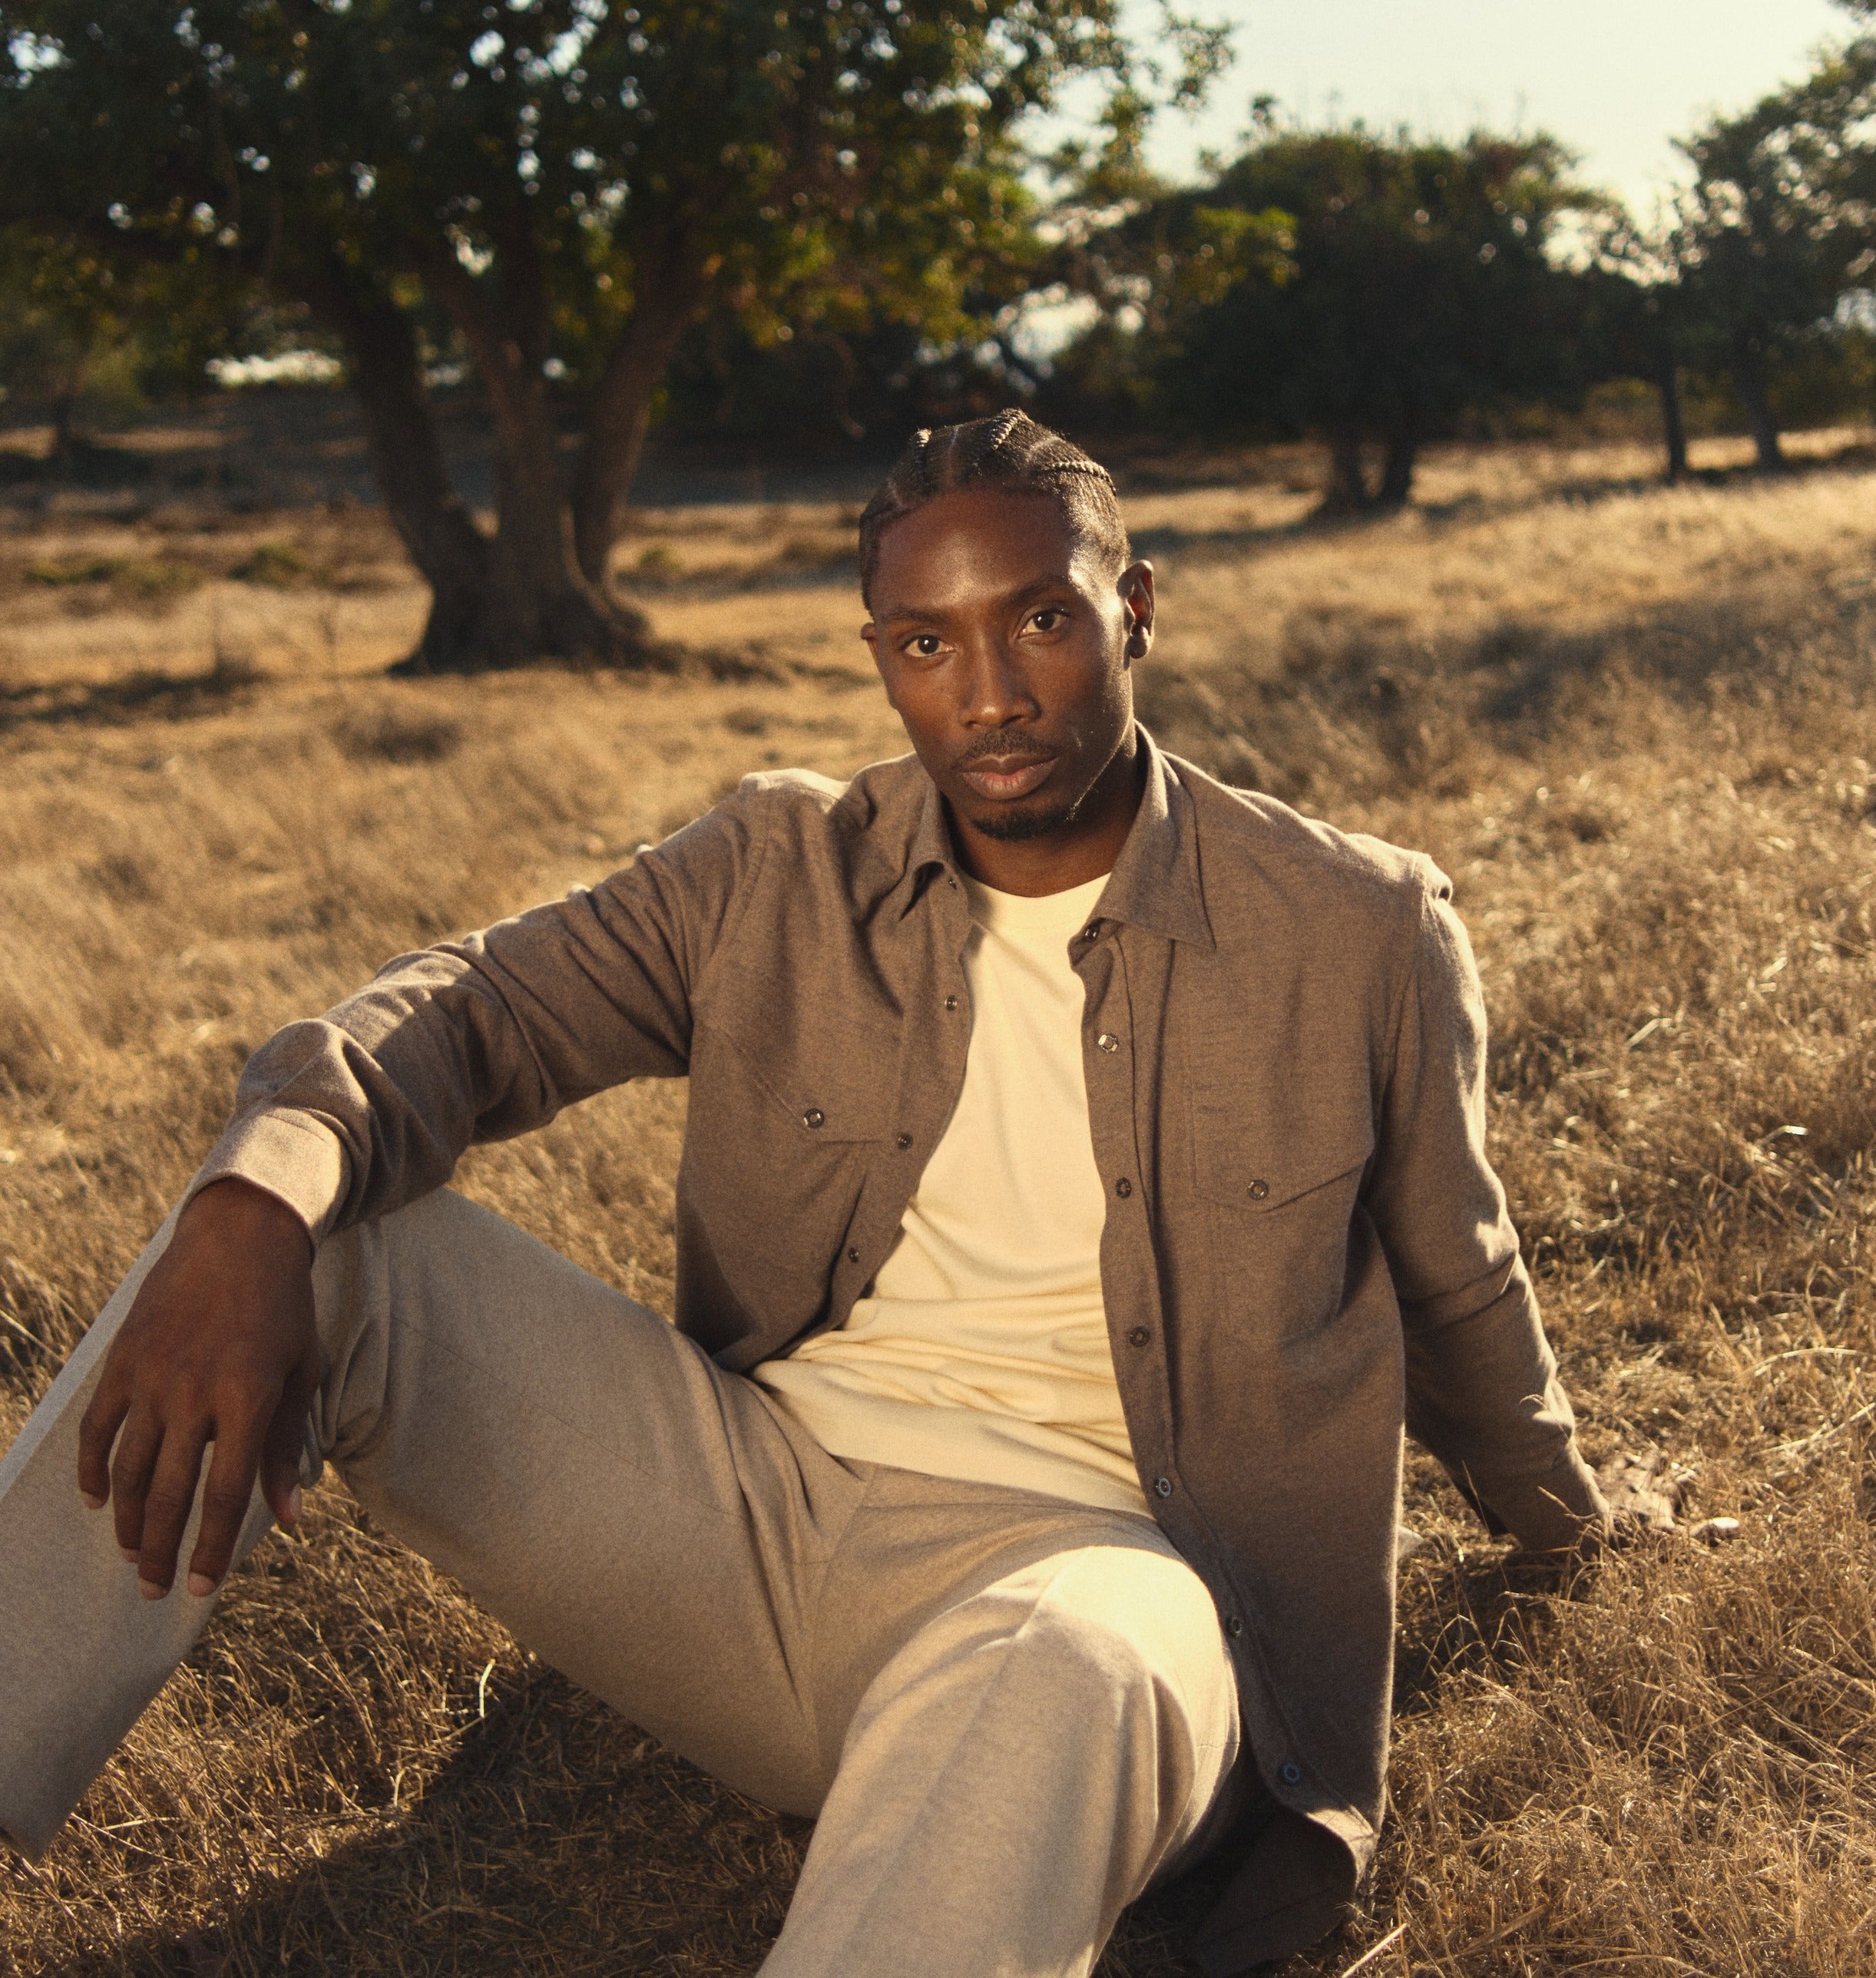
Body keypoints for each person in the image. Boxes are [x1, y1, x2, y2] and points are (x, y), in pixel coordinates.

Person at [1, 411, 1633, 1976]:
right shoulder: (777, 866)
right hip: (754, 1523)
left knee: (1065, 1659)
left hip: (1109, 1575)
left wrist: (1565, 1520)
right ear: (878, 655)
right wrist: (251, 1202)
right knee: (323, 1234)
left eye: (1039, 622)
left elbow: (1460, 1281)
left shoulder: (1352, 926)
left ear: (1132, 613)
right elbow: (475, 1012)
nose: (987, 693)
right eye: (925, 643)